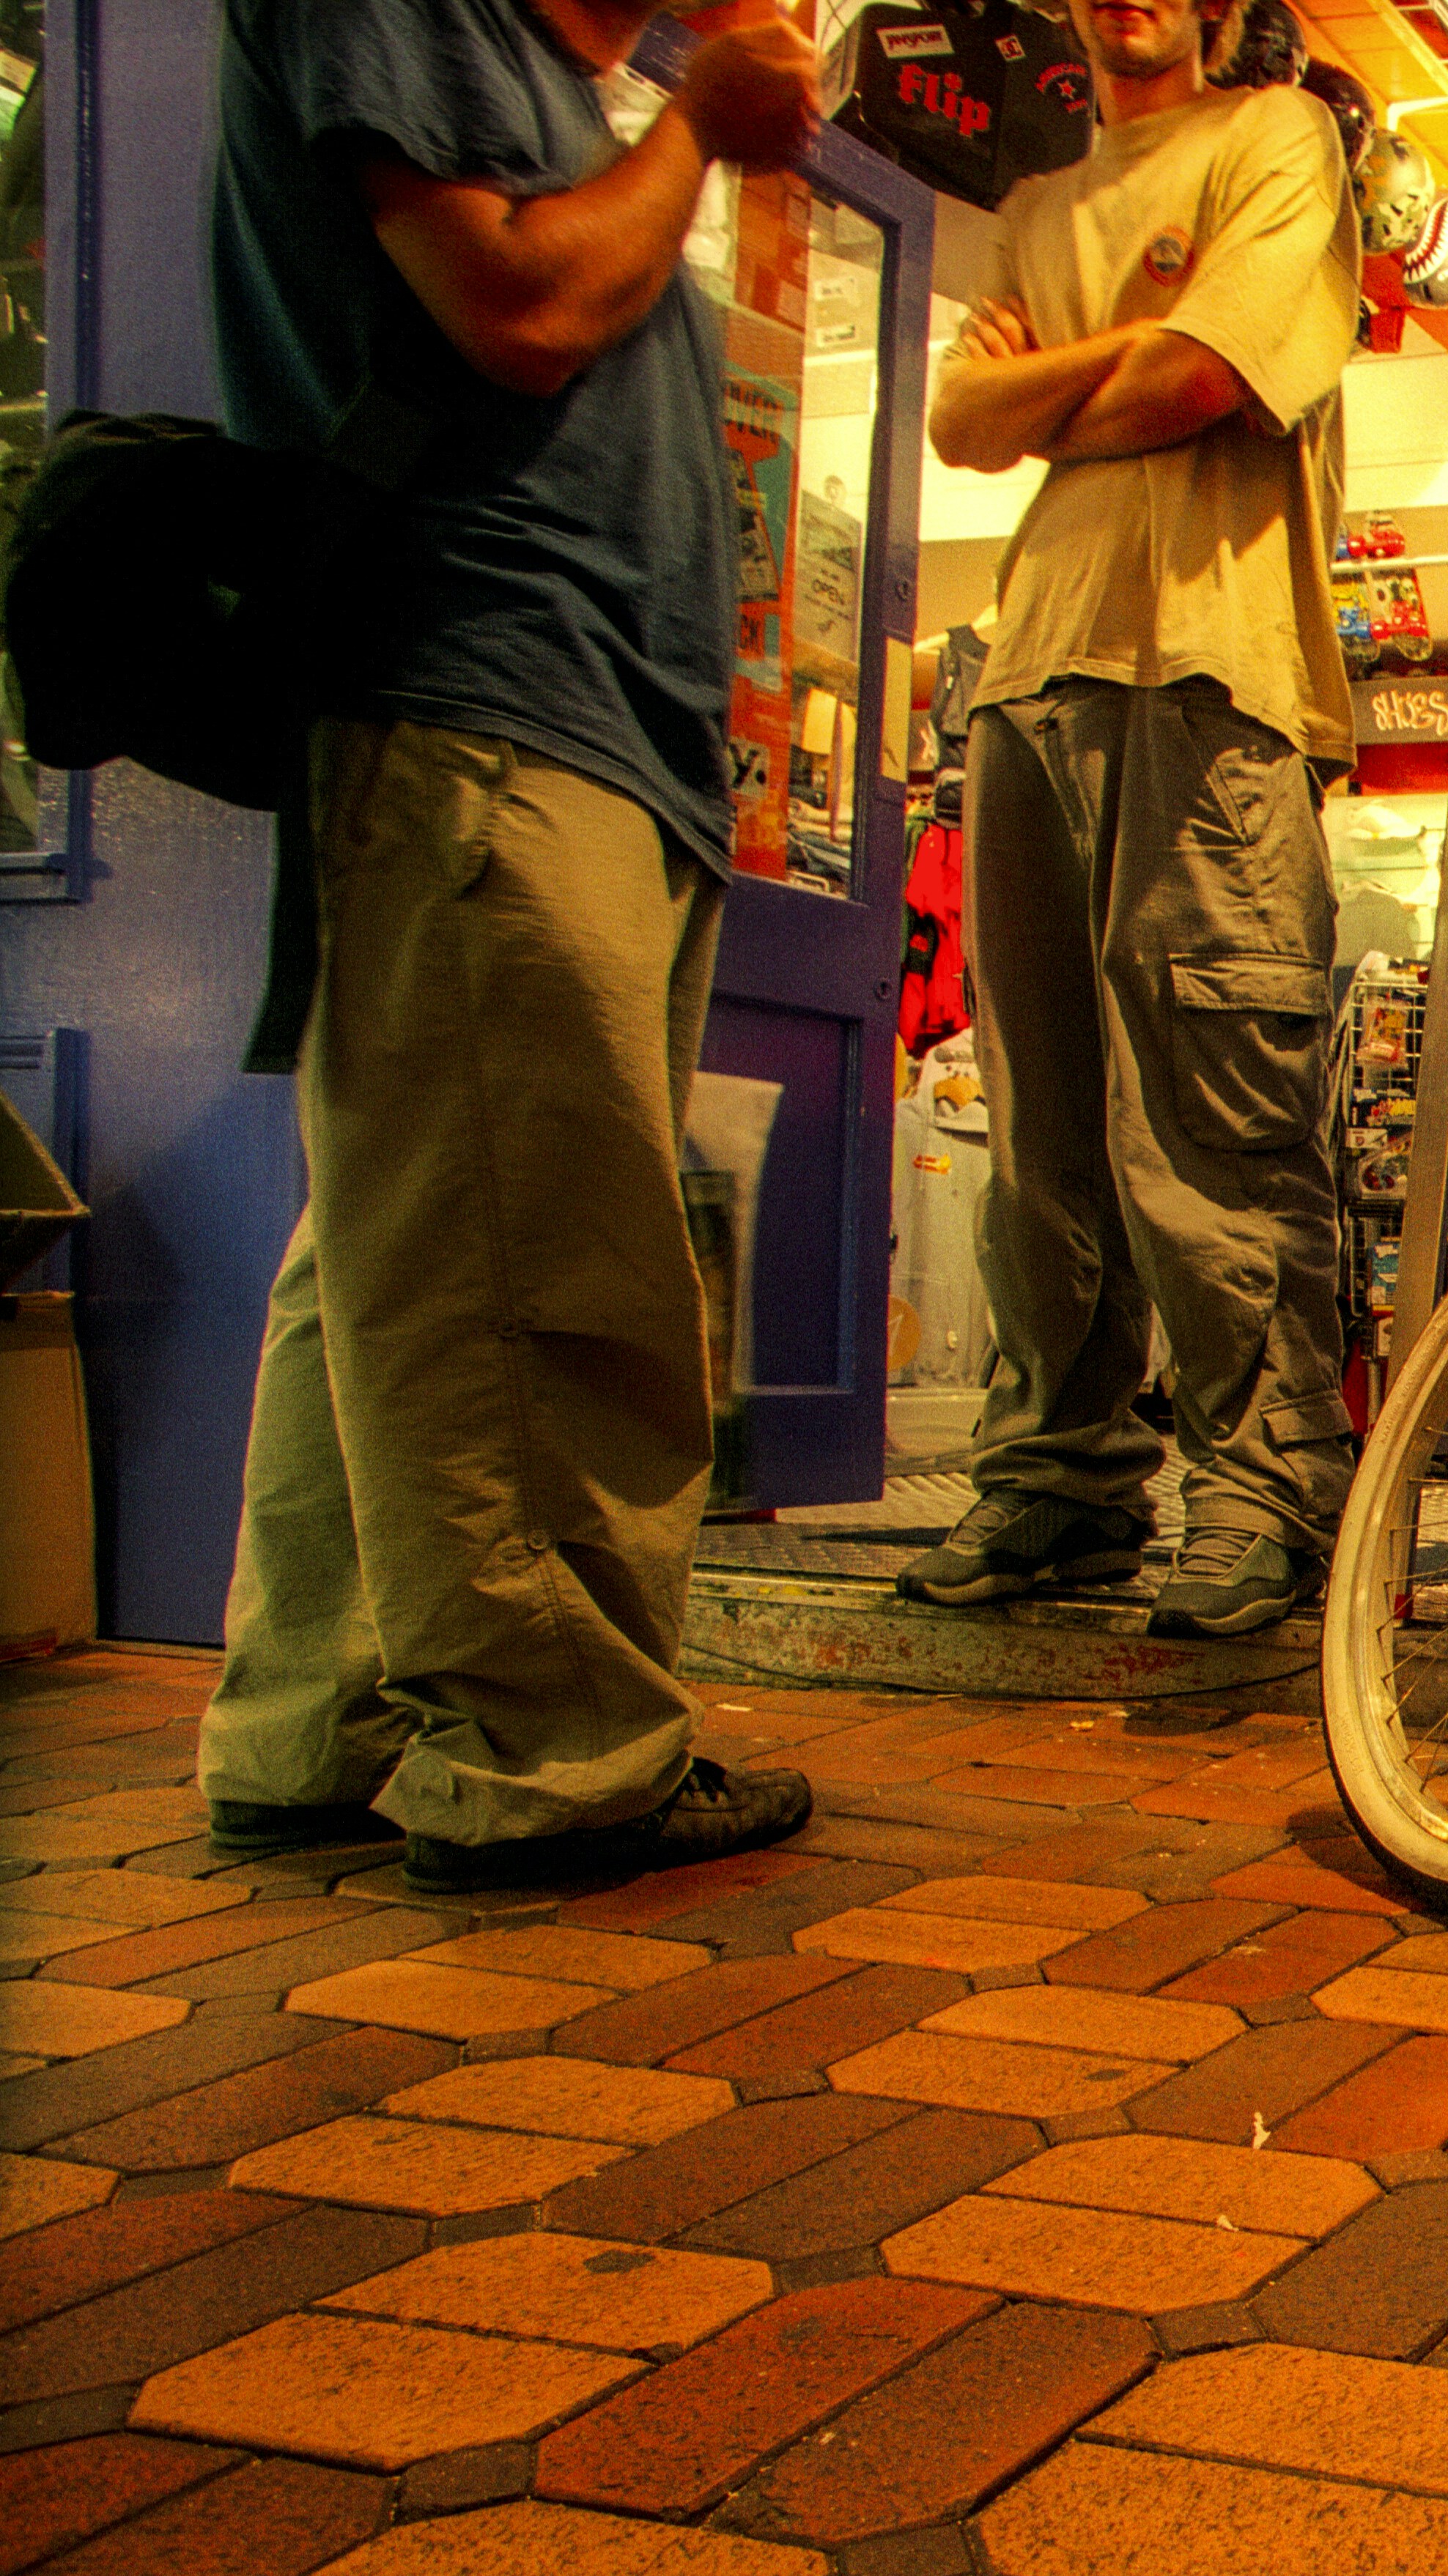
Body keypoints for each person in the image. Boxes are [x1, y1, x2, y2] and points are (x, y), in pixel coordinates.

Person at [191, 0, 826, 1895]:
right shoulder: (432, 21)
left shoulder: (555, 79)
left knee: (405, 1246)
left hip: (554, 719)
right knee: (537, 1251)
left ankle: (323, 1721)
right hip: (492, 703)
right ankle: (555, 1750)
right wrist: (701, 125)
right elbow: (518, 302)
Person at [908, 0, 1362, 1638]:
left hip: (1212, 676)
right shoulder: (1035, 207)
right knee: (1036, 1131)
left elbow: (1203, 374)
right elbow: (957, 429)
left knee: (1215, 1118)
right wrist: (1119, 372)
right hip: (1024, 675)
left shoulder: (1280, 139)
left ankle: (1265, 1488)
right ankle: (1057, 1482)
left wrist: (1055, 382)